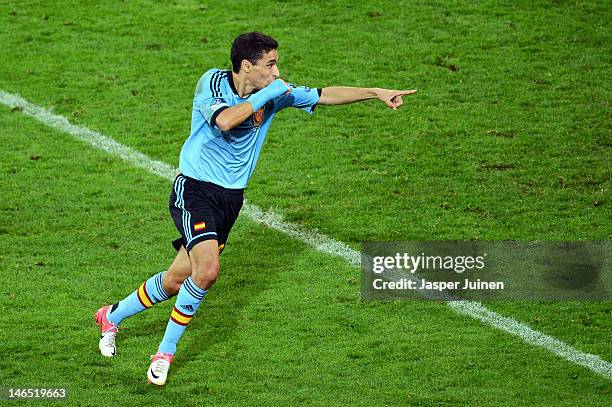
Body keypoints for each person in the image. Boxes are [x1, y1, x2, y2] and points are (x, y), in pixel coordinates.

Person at [94, 31, 416, 386]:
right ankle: (165, 352)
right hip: (195, 190)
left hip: (230, 201)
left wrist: (375, 93)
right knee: (208, 272)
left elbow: (324, 95)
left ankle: (111, 315)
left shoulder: (272, 94)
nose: (277, 73)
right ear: (247, 66)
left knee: (176, 280)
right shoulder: (212, 83)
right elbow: (225, 121)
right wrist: (272, 92)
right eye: (271, 65)